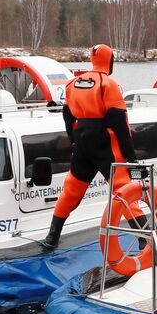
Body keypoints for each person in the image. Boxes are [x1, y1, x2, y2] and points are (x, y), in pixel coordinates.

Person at [41, 43, 136, 250]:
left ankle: (52, 235)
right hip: (105, 143)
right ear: (109, 61)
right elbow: (119, 122)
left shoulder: (73, 83)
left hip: (82, 142)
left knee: (71, 190)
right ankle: (144, 239)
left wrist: (74, 140)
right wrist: (131, 155)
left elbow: (67, 116)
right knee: (123, 190)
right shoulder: (108, 84)